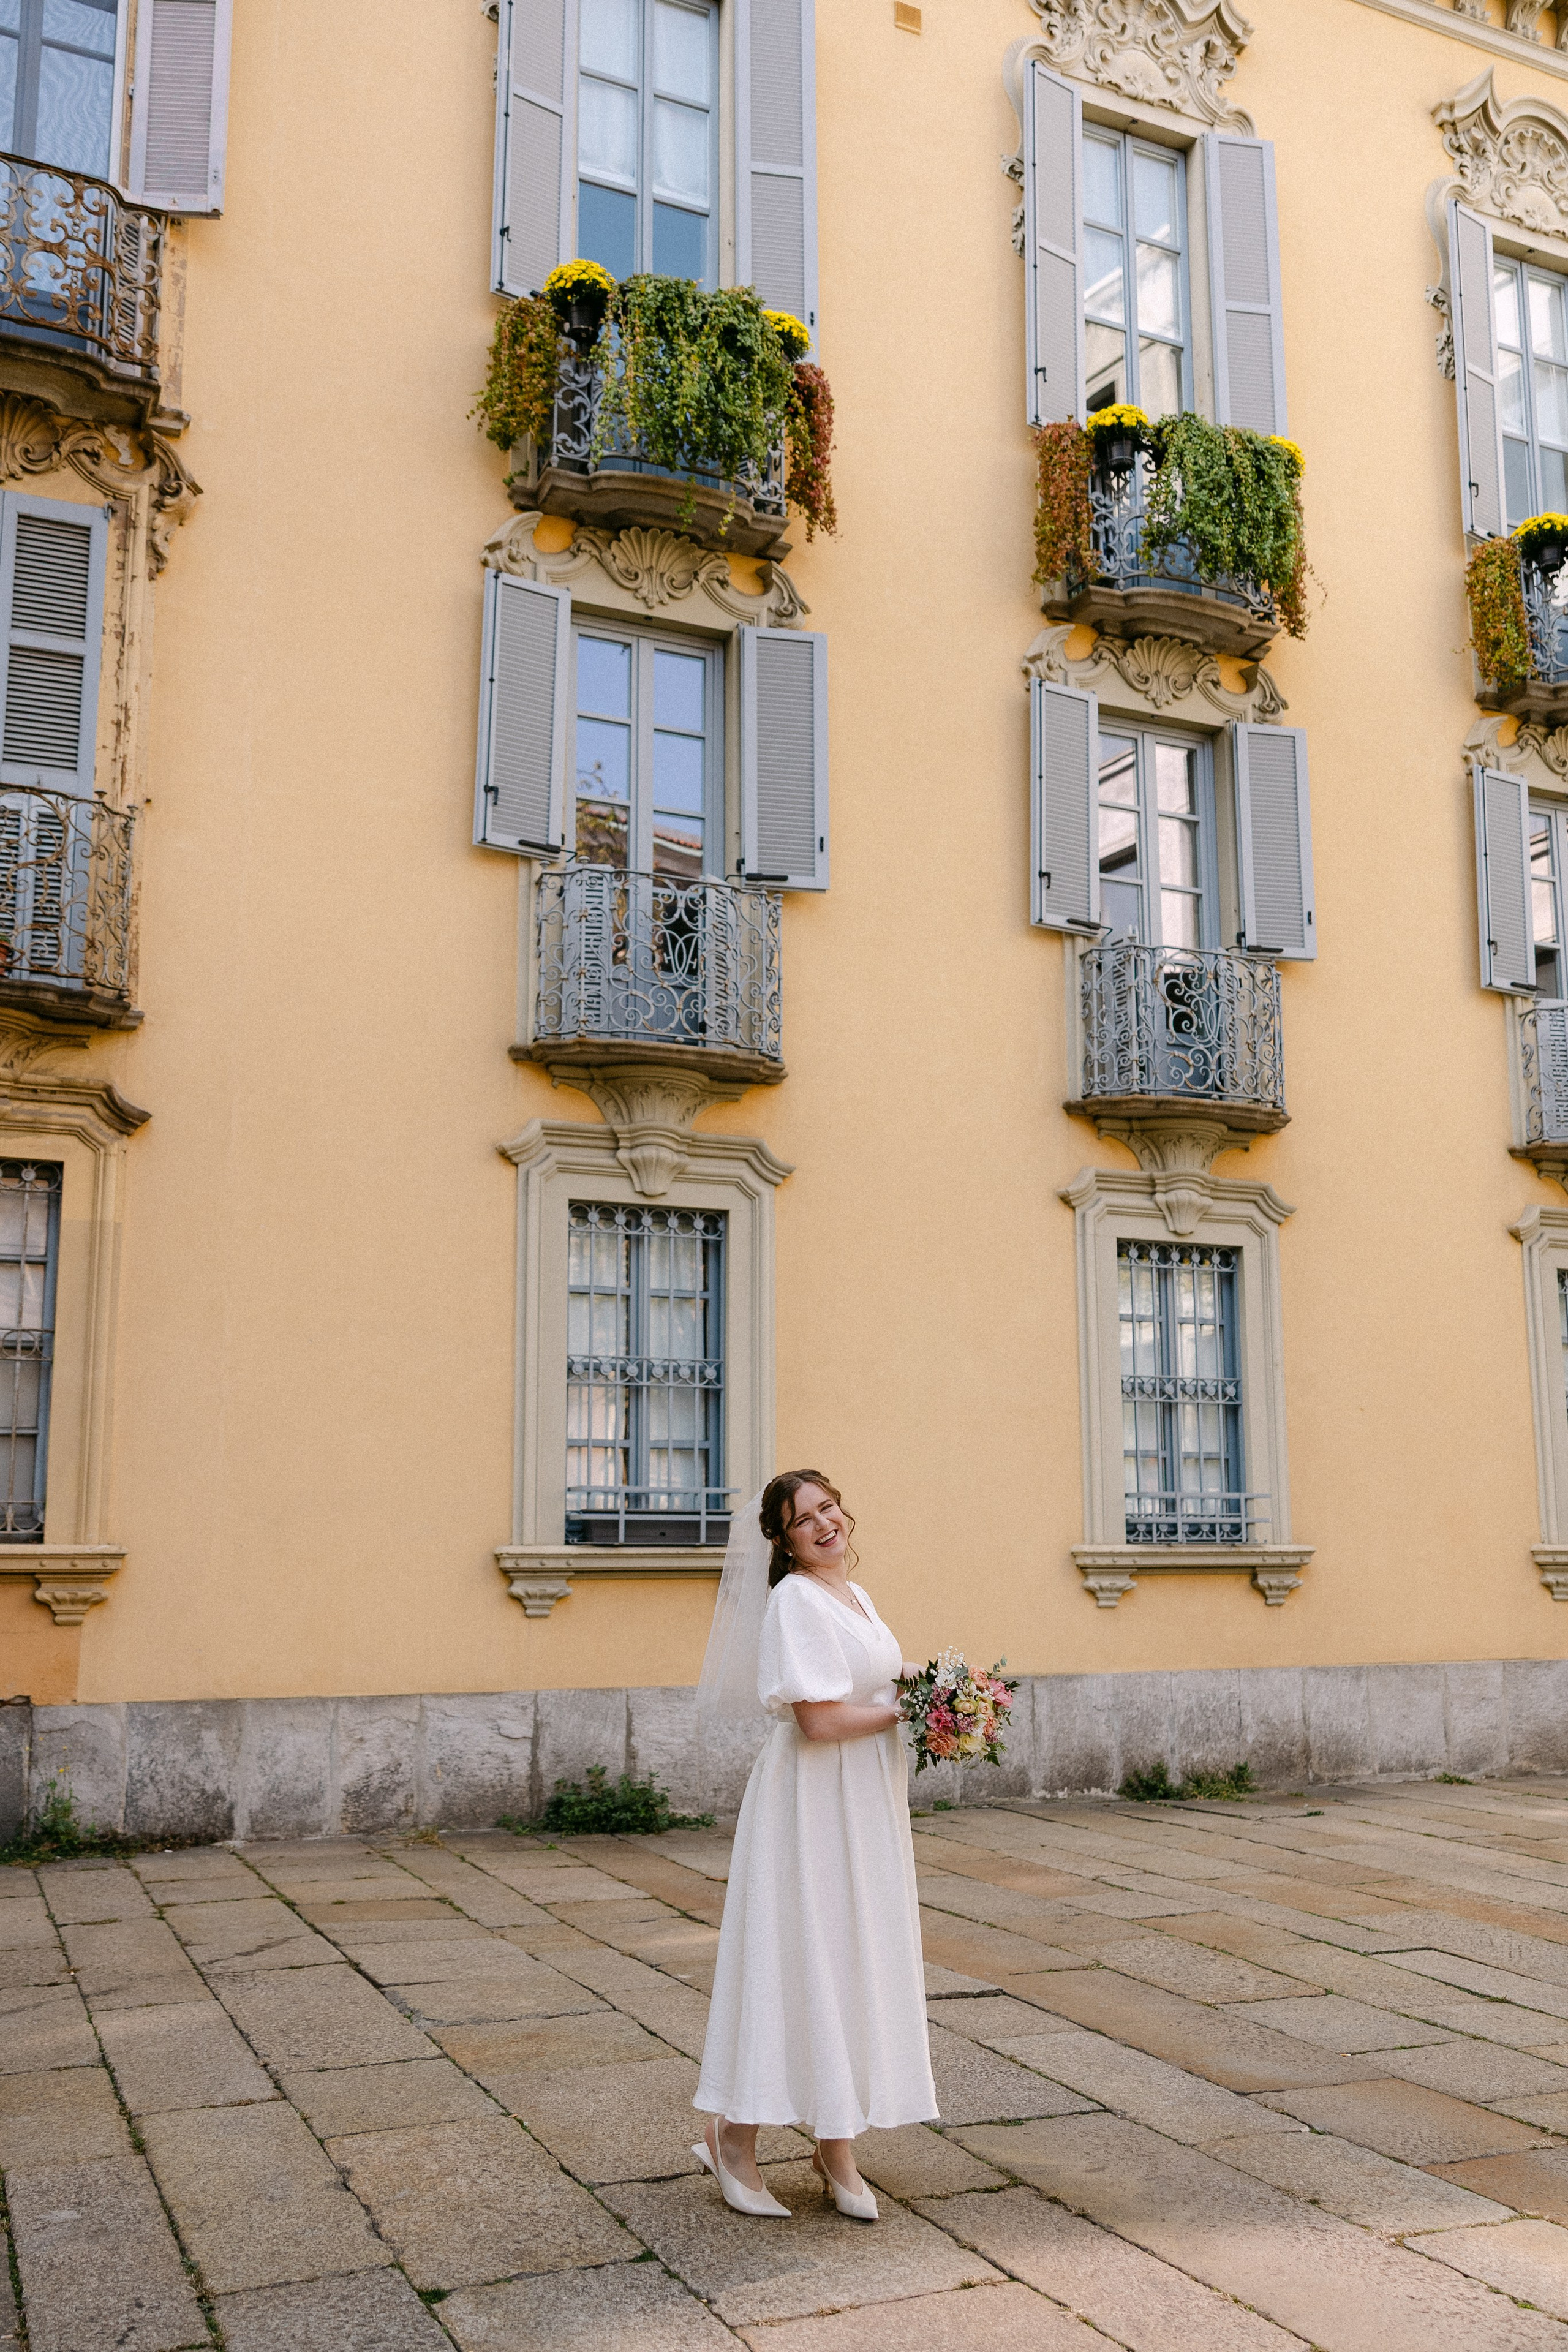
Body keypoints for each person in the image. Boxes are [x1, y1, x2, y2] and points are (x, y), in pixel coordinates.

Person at [691, 1469, 937, 2221]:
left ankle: (836, 2143)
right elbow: (820, 1720)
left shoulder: (853, 1593)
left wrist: (943, 1687)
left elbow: (870, 1676)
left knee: (856, 1954)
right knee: (802, 1954)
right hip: (809, 1807)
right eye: (806, 1519)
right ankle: (733, 2137)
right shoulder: (794, 1600)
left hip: (863, 1801)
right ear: (782, 1540)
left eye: (829, 1507)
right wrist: (905, 1710)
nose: (826, 1524)